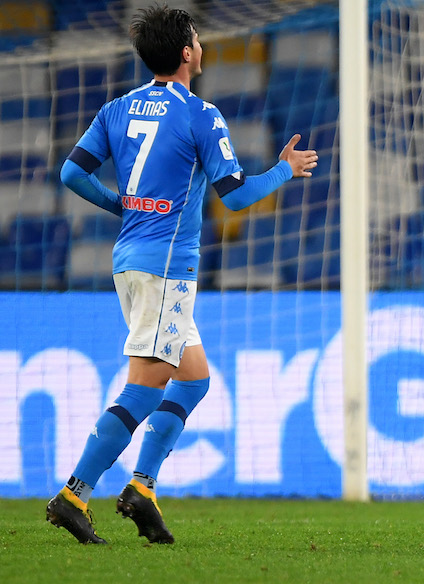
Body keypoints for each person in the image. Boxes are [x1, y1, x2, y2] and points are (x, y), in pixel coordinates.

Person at [47, 5, 316, 544]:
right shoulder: (200, 113)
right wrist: (286, 169)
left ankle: (142, 489)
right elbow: (235, 196)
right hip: (167, 268)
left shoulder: (117, 109)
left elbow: (71, 172)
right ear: (188, 52)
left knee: (193, 379)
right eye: (196, 37)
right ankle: (74, 494)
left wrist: (120, 204)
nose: (199, 43)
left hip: (132, 260)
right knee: (146, 390)